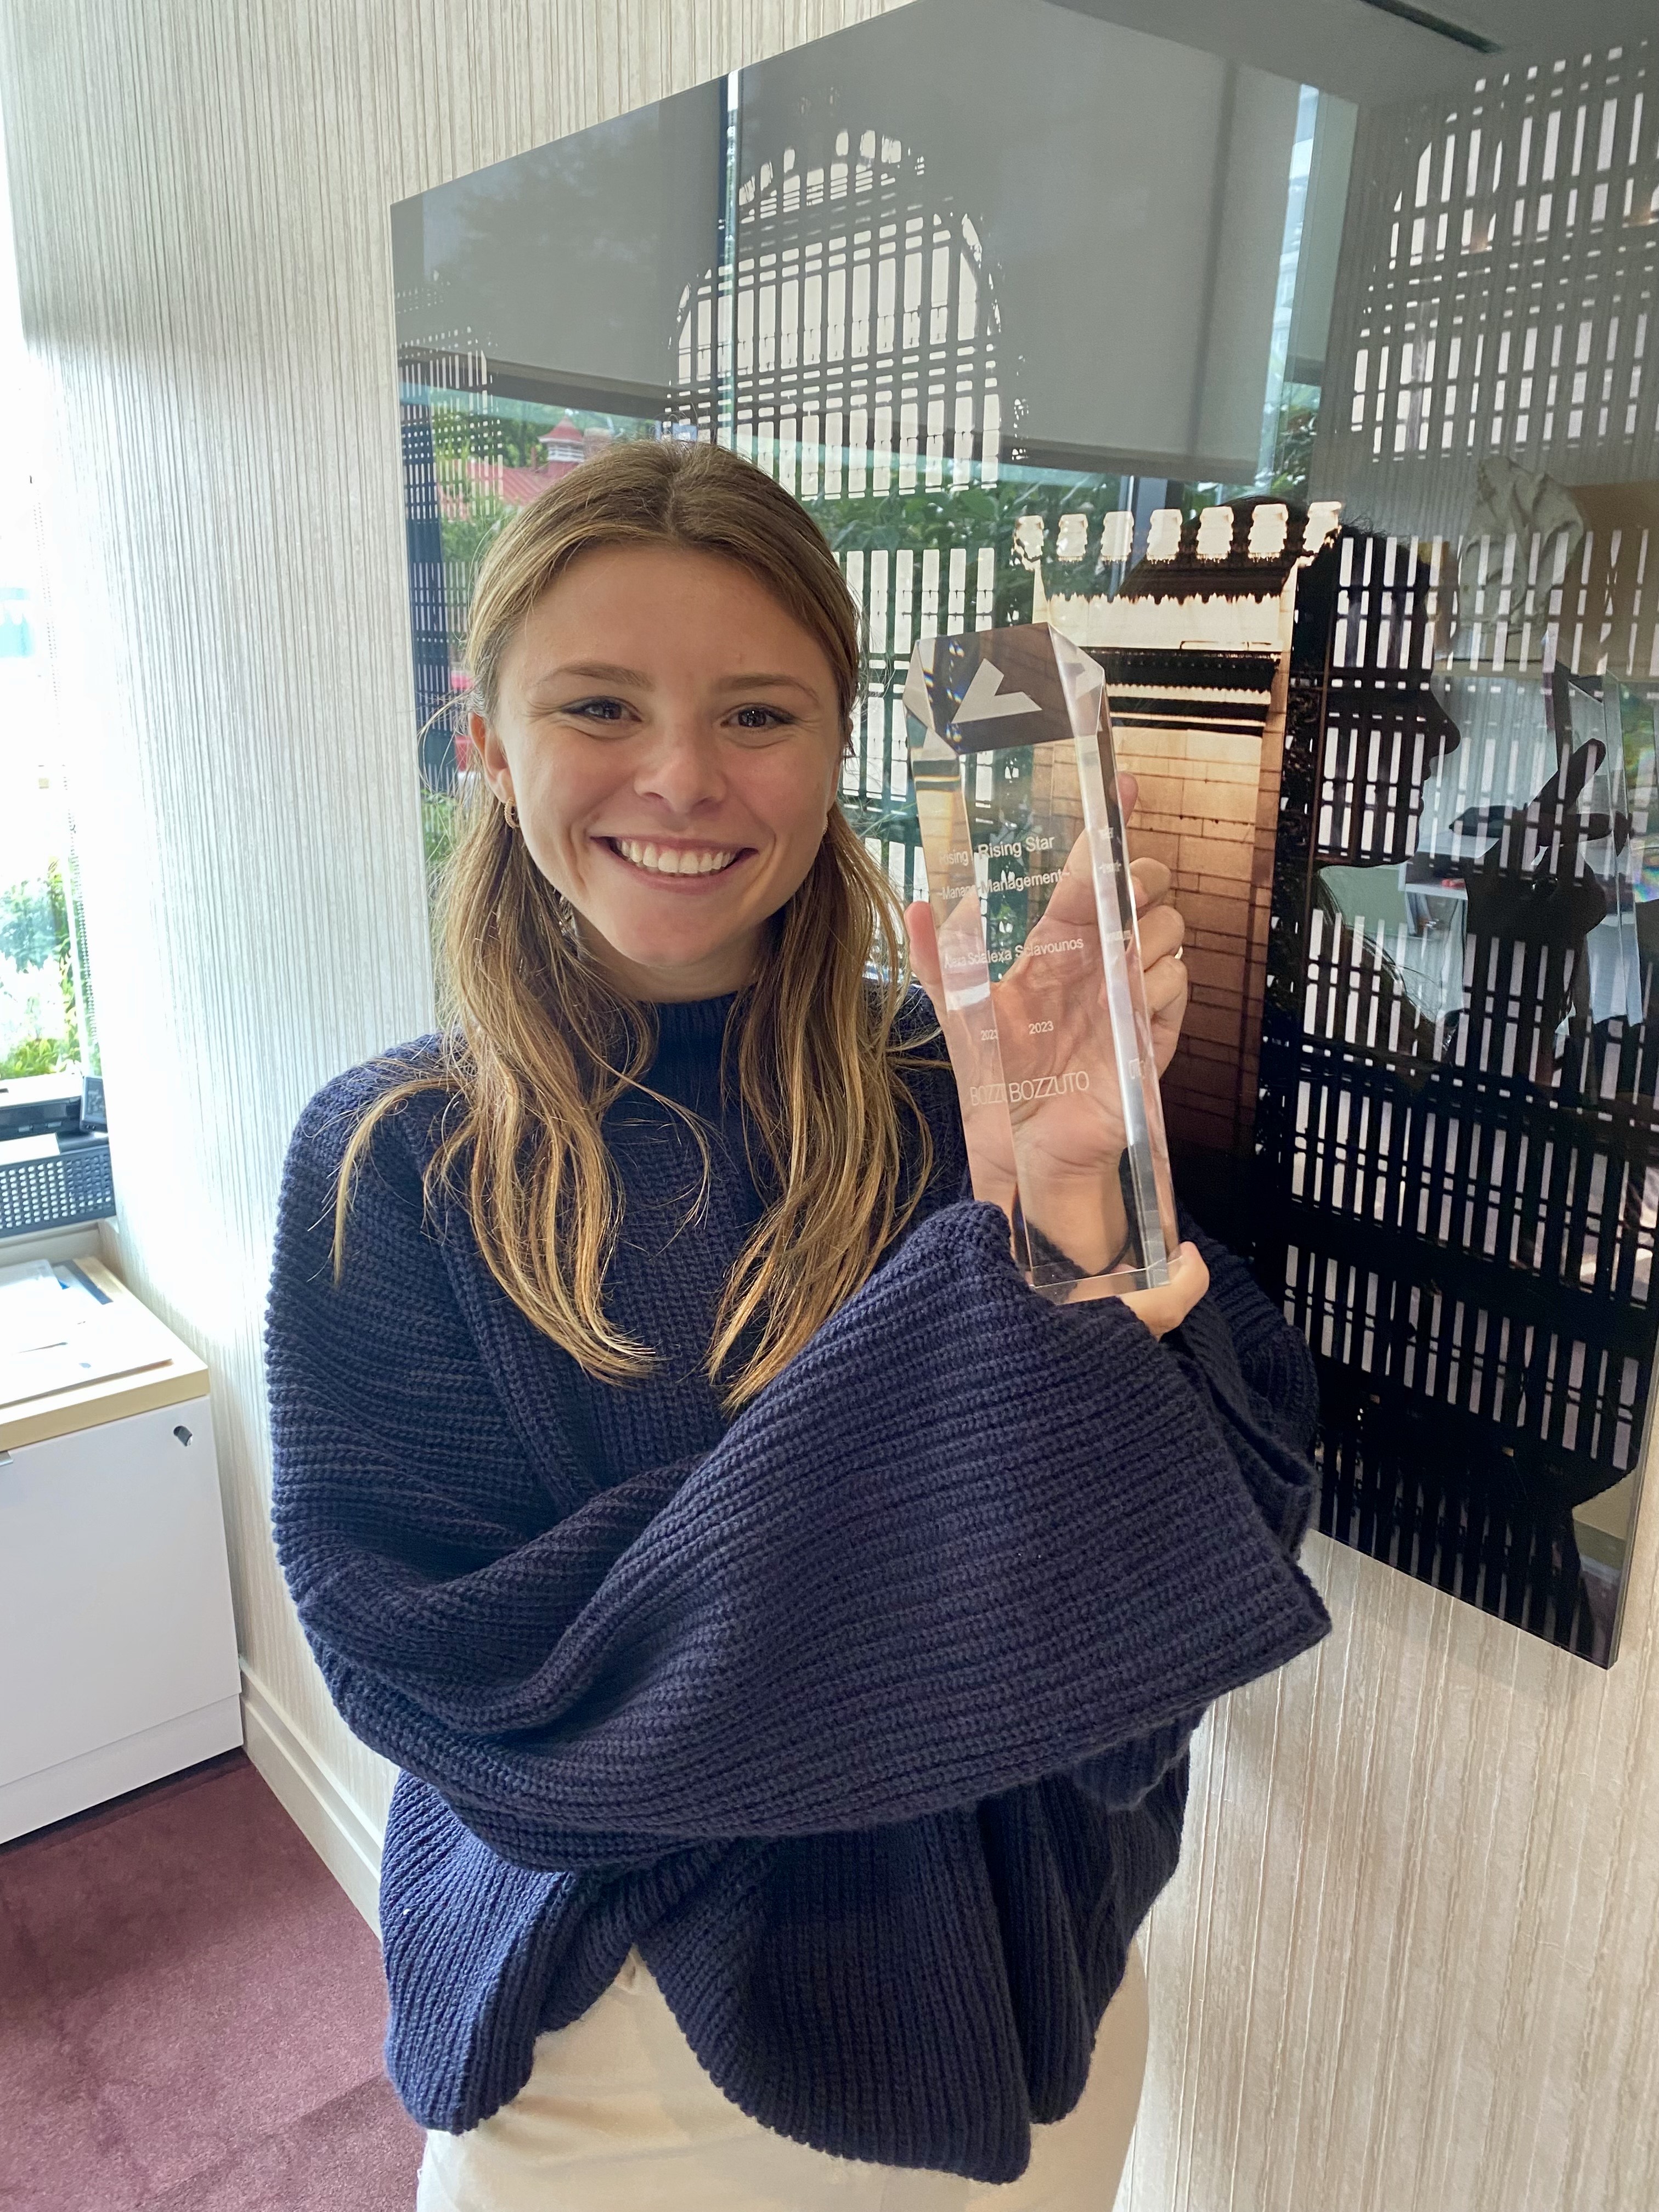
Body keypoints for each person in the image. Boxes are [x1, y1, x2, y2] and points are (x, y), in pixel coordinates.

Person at [264, 438, 1330, 2211]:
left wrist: (1065, 1215)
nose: (681, 778)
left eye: (759, 715)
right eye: (600, 703)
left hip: (1003, 1974)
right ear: (485, 740)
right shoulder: (399, 1159)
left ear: (840, 755)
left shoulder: (974, 1082)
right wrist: (958, 1410)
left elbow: (1221, 1523)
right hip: (603, 2014)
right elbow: (453, 1673)